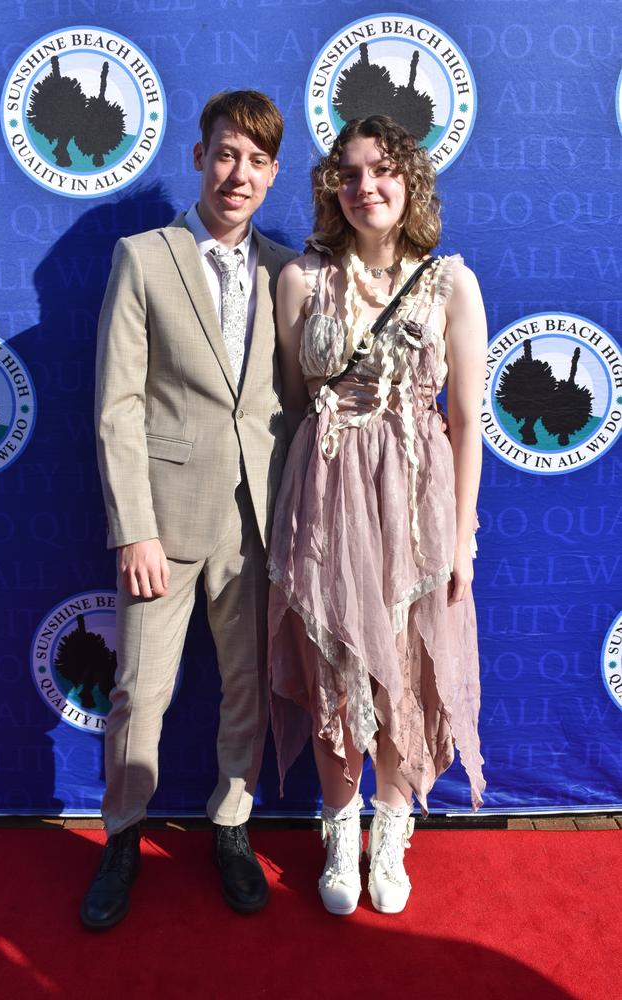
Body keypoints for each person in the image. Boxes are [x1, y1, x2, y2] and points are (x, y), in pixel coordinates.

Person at [82, 90, 295, 929]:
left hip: (259, 521)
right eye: (226, 154)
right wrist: (134, 525)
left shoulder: (290, 268)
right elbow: (117, 406)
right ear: (199, 157)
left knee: (247, 687)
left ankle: (232, 827)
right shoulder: (143, 257)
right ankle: (123, 833)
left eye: (256, 161)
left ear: (274, 175)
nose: (238, 174)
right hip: (163, 523)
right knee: (140, 691)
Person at [268, 115, 487, 916]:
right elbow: (298, 406)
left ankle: (391, 829)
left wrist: (461, 534)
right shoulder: (301, 280)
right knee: (333, 663)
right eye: (351, 174)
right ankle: (339, 827)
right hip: (325, 497)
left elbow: (466, 422)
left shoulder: (450, 282)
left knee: (403, 668)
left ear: (411, 183)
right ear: (334, 187)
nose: (367, 188)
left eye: (384, 172)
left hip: (417, 501)